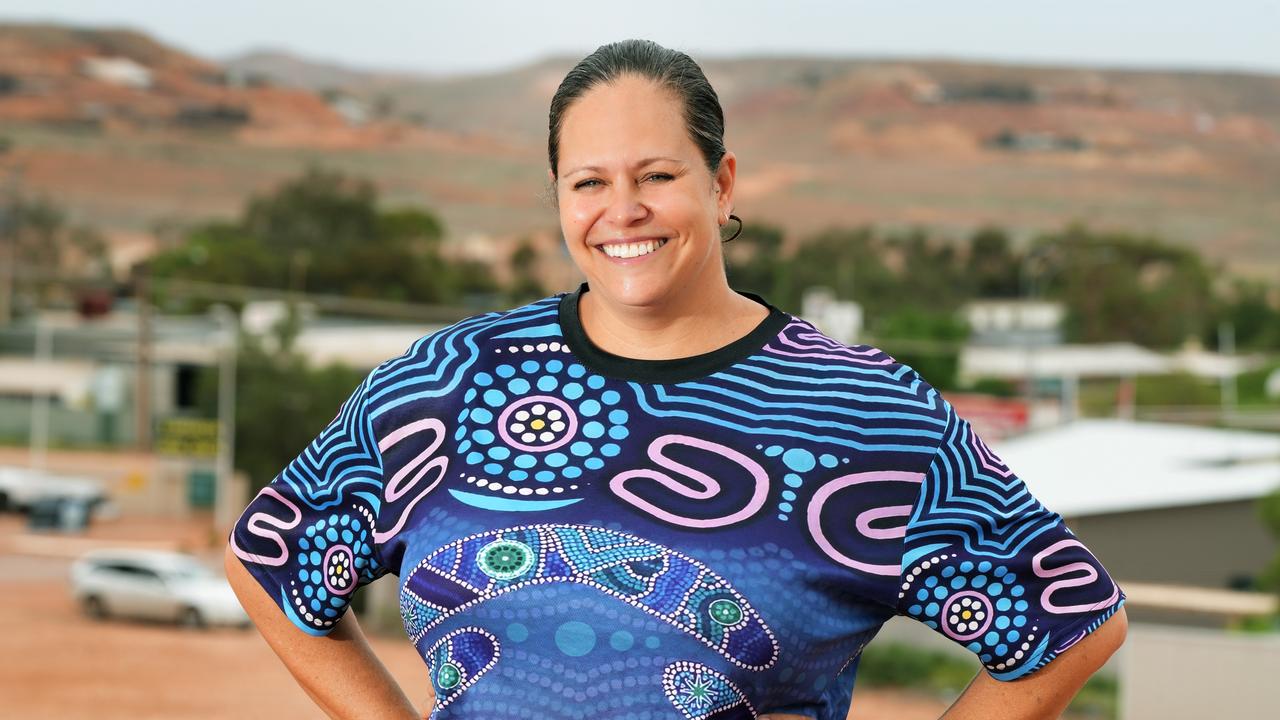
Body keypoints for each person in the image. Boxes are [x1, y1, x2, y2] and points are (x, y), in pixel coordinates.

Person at [225, 39, 1127, 720]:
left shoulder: (864, 412)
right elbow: (271, 559)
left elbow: (1070, 624)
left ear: (722, 183)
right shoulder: (451, 382)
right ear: (559, 198)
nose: (623, 212)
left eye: (657, 175)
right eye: (589, 182)